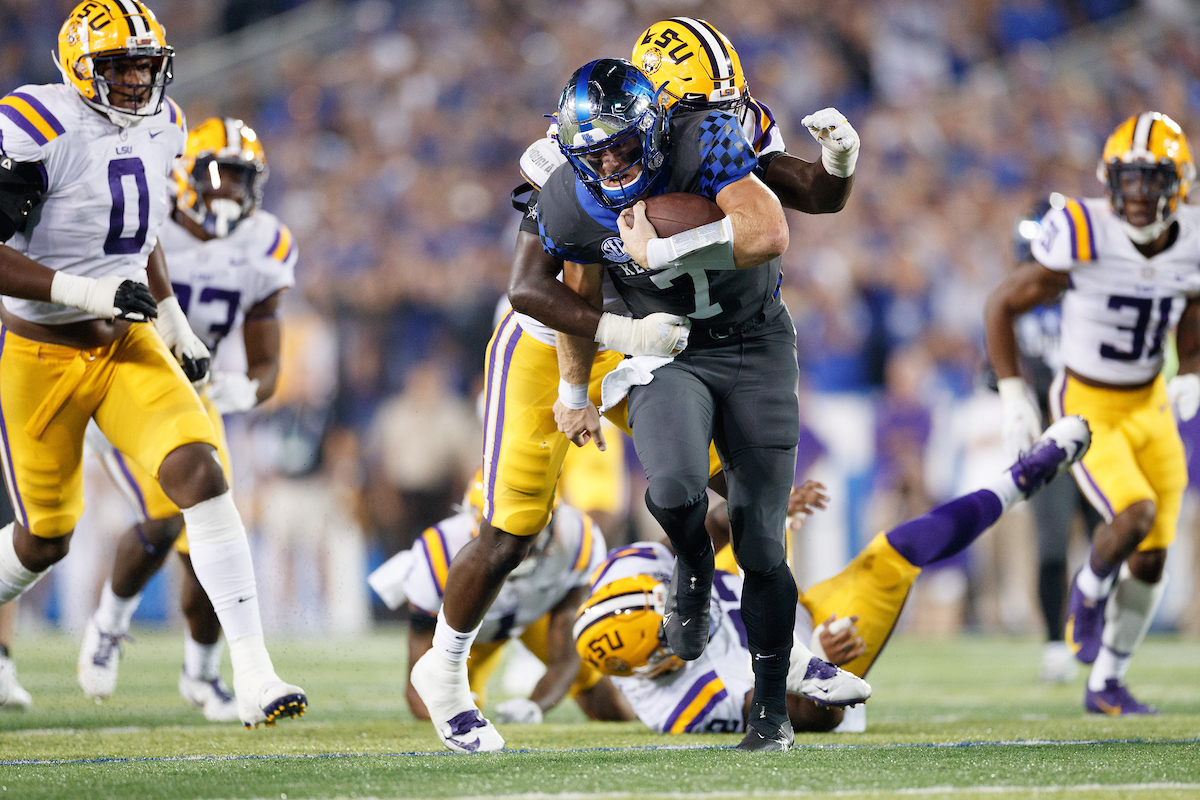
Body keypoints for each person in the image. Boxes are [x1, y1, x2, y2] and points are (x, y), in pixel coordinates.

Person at [0, 1, 303, 728]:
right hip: (43, 351)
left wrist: (170, 320)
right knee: (45, 538)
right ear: (78, 65)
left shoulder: (166, 125)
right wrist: (88, 290)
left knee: (201, 474)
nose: (136, 80)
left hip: (126, 343)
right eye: (119, 66)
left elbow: (138, 237)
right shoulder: (35, 126)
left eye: (145, 65)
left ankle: (255, 672)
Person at [576, 416, 1089, 734]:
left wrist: (759, 512)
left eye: (678, 607)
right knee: (893, 553)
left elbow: (704, 534)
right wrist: (819, 661)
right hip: (804, 644)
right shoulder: (683, 707)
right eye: (677, 637)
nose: (691, 620)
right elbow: (811, 716)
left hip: (756, 591)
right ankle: (1018, 482)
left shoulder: (630, 570)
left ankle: (1024, 475)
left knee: (752, 513)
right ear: (652, 669)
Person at [74, 117, 296, 722]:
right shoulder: (148, 221)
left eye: (240, 178)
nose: (227, 190)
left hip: (198, 394)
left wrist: (242, 389)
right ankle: (110, 622)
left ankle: (201, 674)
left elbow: (267, 361)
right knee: (168, 519)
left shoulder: (267, 243)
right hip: (127, 377)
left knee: (211, 538)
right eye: (217, 174)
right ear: (184, 175)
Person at [985, 112, 1200, 714]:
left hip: (1150, 402)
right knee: (1134, 514)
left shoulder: (1194, 239)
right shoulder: (1082, 228)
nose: (1136, 195)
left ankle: (1107, 681)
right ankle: (1088, 589)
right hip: (1086, 400)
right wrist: (1012, 393)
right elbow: (1003, 302)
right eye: (1127, 180)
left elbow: (1193, 308)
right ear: (1110, 180)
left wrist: (1189, 372)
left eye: (1150, 180)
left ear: (1178, 183)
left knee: (1154, 555)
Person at [369, 472, 634, 725]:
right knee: (438, 715)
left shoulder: (579, 539)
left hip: (537, 618)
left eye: (532, 522)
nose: (517, 537)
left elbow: (565, 659)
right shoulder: (438, 554)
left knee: (613, 707)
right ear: (475, 520)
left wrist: (536, 705)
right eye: (502, 525)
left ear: (552, 514)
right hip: (470, 637)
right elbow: (417, 689)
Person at [1004, 200, 1104, 684]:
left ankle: (1096, 635)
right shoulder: (1014, 302)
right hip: (1047, 436)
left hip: (1099, 430)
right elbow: (992, 371)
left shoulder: (1093, 294)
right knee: (1050, 543)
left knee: (1106, 538)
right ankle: (1052, 644)